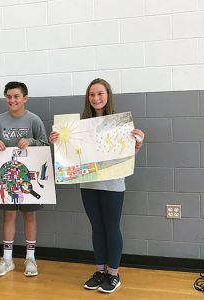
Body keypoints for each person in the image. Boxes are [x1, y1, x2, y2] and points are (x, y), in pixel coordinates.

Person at [49, 78, 145, 293]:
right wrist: (58, 141)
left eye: (100, 94)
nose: (96, 98)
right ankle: (100, 271)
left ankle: (113, 274)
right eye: (92, 94)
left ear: (108, 95)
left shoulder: (119, 124)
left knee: (111, 227)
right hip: (89, 185)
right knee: (96, 228)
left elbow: (127, 154)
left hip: (113, 184)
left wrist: (137, 143)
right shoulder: (79, 126)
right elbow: (71, 156)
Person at [0, 81, 48, 277]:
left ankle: (30, 258)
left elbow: (44, 144)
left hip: (26, 177)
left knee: (29, 216)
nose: (12, 100)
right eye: (9, 96)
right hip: (7, 178)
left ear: (25, 98)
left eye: (16, 96)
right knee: (8, 215)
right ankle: (7, 259)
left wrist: (31, 142)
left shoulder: (34, 120)